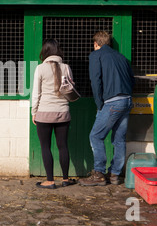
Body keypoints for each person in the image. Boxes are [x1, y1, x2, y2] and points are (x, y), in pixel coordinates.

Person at [79, 31, 135, 186]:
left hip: (112, 102)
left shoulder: (96, 55)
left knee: (95, 136)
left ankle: (98, 173)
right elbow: (132, 79)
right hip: (127, 100)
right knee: (119, 139)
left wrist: (99, 104)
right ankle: (115, 174)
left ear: (96, 44)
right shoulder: (122, 57)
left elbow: (95, 81)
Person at [31, 39, 75, 189]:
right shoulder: (66, 67)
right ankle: (65, 179)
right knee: (63, 146)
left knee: (45, 147)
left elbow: (36, 93)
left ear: (45, 51)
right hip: (63, 112)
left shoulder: (40, 68)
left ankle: (49, 181)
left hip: (44, 113)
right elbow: (70, 89)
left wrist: (34, 112)